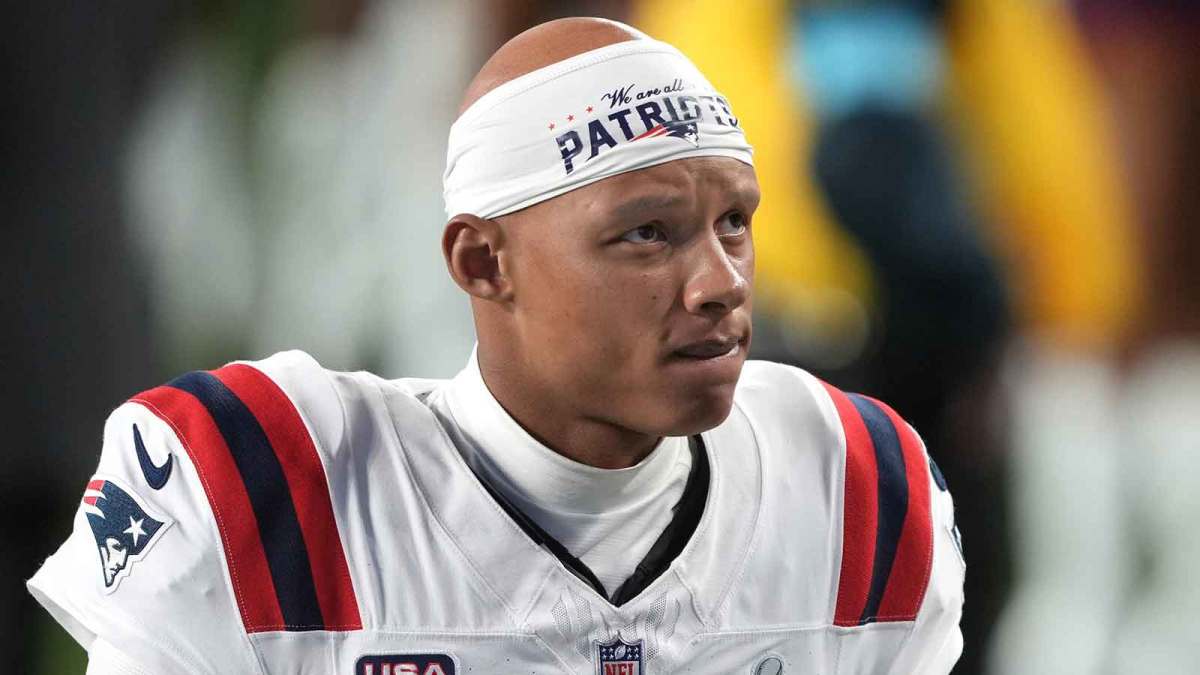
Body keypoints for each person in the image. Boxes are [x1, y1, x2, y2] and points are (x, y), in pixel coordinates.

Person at [28, 17, 963, 674]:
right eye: (648, 232)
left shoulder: (851, 488)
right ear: (484, 261)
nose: (720, 279)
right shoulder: (269, 485)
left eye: (733, 223)